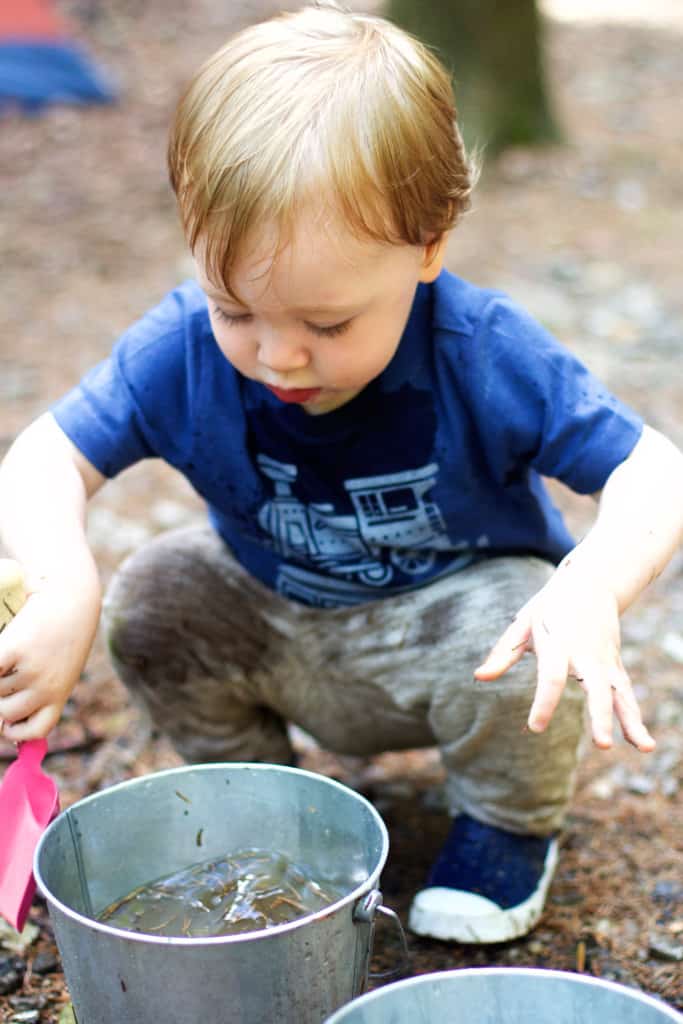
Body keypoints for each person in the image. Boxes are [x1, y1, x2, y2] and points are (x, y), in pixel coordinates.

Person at [1, 2, 682, 945]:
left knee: (530, 621)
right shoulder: (184, 349)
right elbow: (42, 456)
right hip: (278, 623)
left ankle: (503, 828)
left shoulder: (479, 353)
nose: (279, 357)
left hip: (447, 643)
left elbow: (656, 470)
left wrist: (593, 586)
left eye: (327, 325)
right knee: (153, 594)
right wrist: (65, 577)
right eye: (237, 309)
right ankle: (262, 801)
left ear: (430, 246)